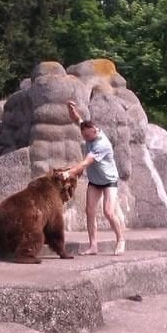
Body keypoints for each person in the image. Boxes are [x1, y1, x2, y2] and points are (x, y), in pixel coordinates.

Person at [67, 104, 126, 254]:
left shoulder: (102, 144)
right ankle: (93, 245)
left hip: (109, 181)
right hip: (94, 181)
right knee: (90, 211)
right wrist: (71, 111)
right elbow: (79, 120)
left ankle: (121, 240)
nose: (85, 138)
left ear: (95, 131)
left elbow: (86, 162)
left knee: (108, 212)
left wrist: (69, 173)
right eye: (84, 136)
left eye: (87, 136)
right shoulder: (88, 130)